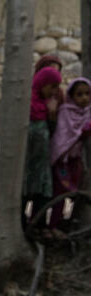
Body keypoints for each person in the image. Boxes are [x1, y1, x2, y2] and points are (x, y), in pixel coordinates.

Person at [22, 66, 62, 236]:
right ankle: (23, 228)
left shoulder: (49, 107)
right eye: (51, 86)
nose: (54, 91)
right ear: (42, 83)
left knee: (42, 194)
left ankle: (38, 227)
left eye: (57, 87)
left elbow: (54, 135)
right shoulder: (26, 105)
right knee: (23, 194)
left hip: (42, 161)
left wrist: (52, 116)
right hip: (25, 162)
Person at [49, 77, 91, 232]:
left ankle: (69, 223)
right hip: (63, 161)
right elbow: (63, 137)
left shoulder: (88, 112)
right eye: (79, 94)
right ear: (72, 96)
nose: (84, 98)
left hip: (76, 161)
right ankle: (54, 225)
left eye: (87, 93)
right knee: (59, 194)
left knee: (76, 193)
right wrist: (82, 132)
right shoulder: (65, 111)